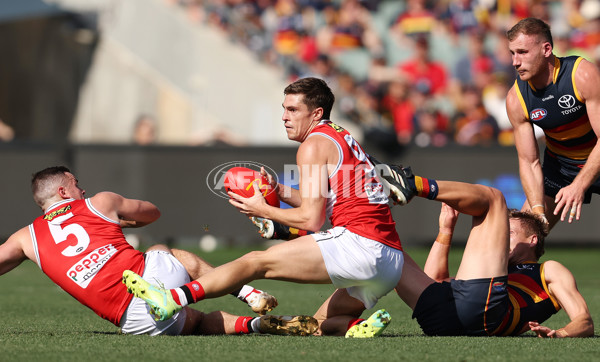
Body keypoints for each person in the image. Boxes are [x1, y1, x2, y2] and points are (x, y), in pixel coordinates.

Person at [123, 77, 413, 337]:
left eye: (293, 110)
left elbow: (311, 219)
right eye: (284, 109)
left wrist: (262, 209)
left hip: (361, 245)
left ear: (317, 113)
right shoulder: (340, 136)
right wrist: (280, 190)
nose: (284, 117)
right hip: (391, 262)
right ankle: (353, 328)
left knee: (253, 262)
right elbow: (325, 201)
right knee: (316, 325)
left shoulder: (312, 145)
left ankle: (174, 299)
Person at [0, 166, 317, 336]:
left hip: (134, 323)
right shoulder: (98, 202)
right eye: (76, 184)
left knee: (192, 322)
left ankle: (257, 326)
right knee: (167, 250)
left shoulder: (24, 239)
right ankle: (249, 294)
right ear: (63, 190)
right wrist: (120, 221)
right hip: (150, 278)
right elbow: (152, 213)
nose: (81, 189)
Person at [320, 164, 593, 337]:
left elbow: (584, 320)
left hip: (486, 314)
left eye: (507, 233)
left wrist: (563, 333)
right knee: (382, 253)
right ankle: (319, 323)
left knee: (493, 198)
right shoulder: (493, 273)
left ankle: (411, 183)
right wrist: (445, 231)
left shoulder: (548, 270)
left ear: (532, 240)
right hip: (440, 321)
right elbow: (433, 283)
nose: (498, 238)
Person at [505, 17, 600, 230]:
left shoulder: (581, 75)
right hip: (562, 167)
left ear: (546, 49)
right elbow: (529, 162)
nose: (515, 62)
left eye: (522, 52)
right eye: (512, 53)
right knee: (522, 236)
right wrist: (538, 211)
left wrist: (579, 185)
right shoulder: (516, 99)